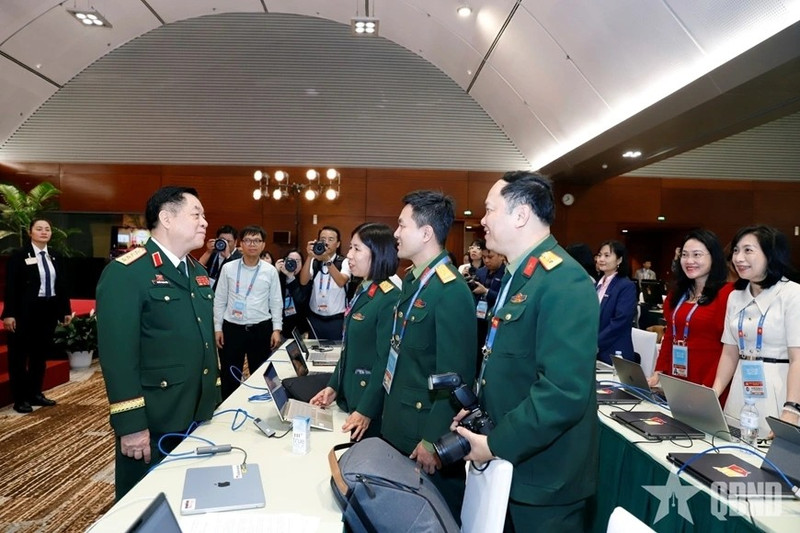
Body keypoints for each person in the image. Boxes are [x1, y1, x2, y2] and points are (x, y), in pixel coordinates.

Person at [453, 171, 599, 532]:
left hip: (545, 478)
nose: (482, 220)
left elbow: (562, 393)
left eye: (489, 210)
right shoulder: (520, 275)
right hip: (513, 465)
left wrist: (496, 443)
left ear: (520, 216)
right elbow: (510, 365)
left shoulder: (565, 281)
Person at [96, 186, 220, 500]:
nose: (205, 222)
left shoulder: (197, 272)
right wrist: (131, 425)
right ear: (166, 218)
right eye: (196, 214)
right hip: (155, 419)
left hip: (196, 413)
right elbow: (118, 358)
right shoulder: (128, 273)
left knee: (187, 499)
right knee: (144, 506)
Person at [382, 190, 476, 519]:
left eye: (401, 225)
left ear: (425, 233)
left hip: (422, 435)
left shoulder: (451, 291)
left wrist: (434, 440)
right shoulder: (413, 281)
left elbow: (456, 377)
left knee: (434, 520)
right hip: (398, 423)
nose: (395, 233)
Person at [310, 223, 399, 441]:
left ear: (377, 253)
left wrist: (366, 409)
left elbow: (385, 361)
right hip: (349, 397)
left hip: (368, 408)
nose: (349, 255)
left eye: (357, 249)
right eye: (350, 248)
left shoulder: (389, 297)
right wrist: (333, 387)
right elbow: (349, 349)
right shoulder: (364, 288)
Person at [712, 225, 800, 436]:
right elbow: (729, 352)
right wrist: (713, 394)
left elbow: (798, 358)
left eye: (748, 250)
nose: (739, 258)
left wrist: (791, 410)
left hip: (779, 393)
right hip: (739, 392)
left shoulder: (792, 294)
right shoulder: (735, 296)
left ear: (770, 255)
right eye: (735, 250)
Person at [647, 230, 734, 402]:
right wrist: (658, 372)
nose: (689, 261)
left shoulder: (727, 294)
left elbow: (728, 348)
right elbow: (670, 335)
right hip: (677, 377)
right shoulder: (677, 294)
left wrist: (710, 386)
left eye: (697, 255)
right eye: (685, 255)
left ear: (713, 257)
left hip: (709, 381)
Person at [2, 218, 72, 414]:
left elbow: (62, 285)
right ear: (30, 232)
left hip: (47, 311)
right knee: (19, 356)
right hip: (24, 312)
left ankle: (35, 394)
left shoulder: (56, 256)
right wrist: (9, 314)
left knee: (39, 356)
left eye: (47, 229)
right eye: (39, 229)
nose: (44, 232)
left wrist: (65, 310)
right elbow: (11, 287)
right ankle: (20, 399)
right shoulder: (19, 255)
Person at [213, 225, 283, 400]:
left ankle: (259, 410)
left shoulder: (270, 271)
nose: (252, 244)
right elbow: (219, 299)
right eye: (248, 240)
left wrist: (276, 329)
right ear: (240, 244)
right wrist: (217, 327)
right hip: (232, 329)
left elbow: (276, 301)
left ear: (263, 244)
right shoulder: (228, 268)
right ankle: (227, 410)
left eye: (257, 240)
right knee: (229, 376)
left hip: (260, 329)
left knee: (260, 374)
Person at [299, 226, 351, 341]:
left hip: (336, 320)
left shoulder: (344, 262)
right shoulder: (314, 261)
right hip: (315, 318)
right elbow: (303, 281)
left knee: (335, 354)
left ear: (338, 244)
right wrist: (310, 256)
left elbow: (341, 281)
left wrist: (327, 260)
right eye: (323, 239)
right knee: (314, 353)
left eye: (330, 239)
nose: (326, 242)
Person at [595, 240, 637, 363]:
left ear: (619, 260)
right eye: (599, 255)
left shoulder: (625, 286)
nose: (601, 259)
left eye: (607, 255)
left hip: (614, 352)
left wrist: (596, 343)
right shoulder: (596, 285)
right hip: (594, 351)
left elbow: (620, 321)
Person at [471, 248, 506, 372]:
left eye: (490, 257)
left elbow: (506, 299)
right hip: (478, 319)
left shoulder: (507, 274)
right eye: (484, 257)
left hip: (496, 321)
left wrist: (486, 291)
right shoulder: (480, 272)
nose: (486, 260)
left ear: (501, 256)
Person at [274, 249, 308, 338]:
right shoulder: (278, 278)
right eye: (291, 260)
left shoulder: (305, 279)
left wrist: (291, 278)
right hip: (280, 328)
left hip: (299, 330)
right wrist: (275, 272)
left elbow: (301, 300)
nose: (294, 264)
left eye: (297, 261)